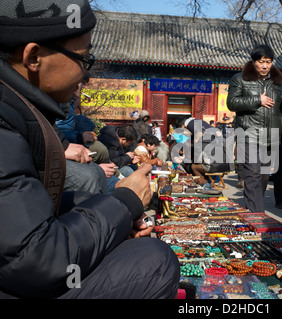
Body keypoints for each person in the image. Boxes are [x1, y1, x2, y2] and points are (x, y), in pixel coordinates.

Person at [0, 0, 179, 299]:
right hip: (23, 275)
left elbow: (36, 205)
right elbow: (34, 257)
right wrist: (125, 202)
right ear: (33, 57)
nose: (86, 74)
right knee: (155, 263)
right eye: (83, 59)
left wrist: (119, 217)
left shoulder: (18, 106)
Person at [227, 44, 282, 212]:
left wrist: (281, 124)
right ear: (253, 61)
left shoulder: (278, 82)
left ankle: (252, 209)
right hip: (249, 134)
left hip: (271, 137)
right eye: (261, 61)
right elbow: (232, 102)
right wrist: (257, 100)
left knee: (263, 178)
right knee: (252, 176)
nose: (265, 66)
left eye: (268, 62)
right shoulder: (240, 79)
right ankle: (258, 216)